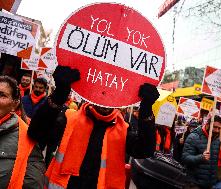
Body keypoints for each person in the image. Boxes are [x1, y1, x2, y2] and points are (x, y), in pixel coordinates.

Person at [27, 66, 159, 189]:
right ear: (91, 93)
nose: (105, 100)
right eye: (102, 93)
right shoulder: (69, 119)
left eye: (111, 96)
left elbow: (145, 150)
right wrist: (59, 94)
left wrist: (146, 110)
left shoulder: (123, 130)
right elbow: (36, 132)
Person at [0, 76, 45, 189]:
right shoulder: (26, 99)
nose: (38, 89)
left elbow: (33, 182)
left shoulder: (24, 135)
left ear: (15, 104)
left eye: (2, 95)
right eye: (36, 86)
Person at [182, 115, 221, 189]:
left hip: (208, 184)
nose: (217, 130)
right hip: (194, 183)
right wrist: (201, 157)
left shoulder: (216, 140)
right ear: (207, 125)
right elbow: (185, 158)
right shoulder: (194, 137)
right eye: (214, 127)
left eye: (219, 128)